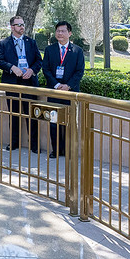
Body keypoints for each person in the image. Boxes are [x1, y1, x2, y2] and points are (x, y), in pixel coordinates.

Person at [0, 15, 42, 152]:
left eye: (23, 24)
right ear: (12, 27)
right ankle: (14, 142)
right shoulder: (4, 43)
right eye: (18, 25)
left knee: (32, 115)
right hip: (12, 83)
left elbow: (39, 61)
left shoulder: (31, 42)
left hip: (29, 83)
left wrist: (32, 70)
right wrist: (11, 68)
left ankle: (34, 145)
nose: (22, 27)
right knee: (14, 114)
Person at [41, 21, 85, 158]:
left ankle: (67, 150)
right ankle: (56, 149)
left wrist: (68, 86)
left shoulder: (77, 51)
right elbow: (46, 69)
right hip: (54, 92)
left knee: (69, 122)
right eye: (58, 31)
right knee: (53, 122)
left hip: (70, 93)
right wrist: (56, 85)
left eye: (63, 31)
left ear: (70, 33)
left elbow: (79, 71)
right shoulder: (49, 50)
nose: (60, 33)